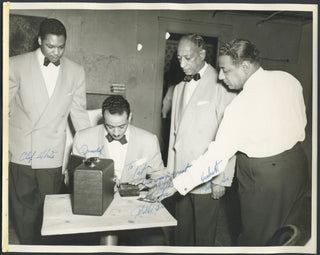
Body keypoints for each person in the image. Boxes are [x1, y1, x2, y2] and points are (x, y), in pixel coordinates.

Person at [146, 39, 309, 246]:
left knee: (257, 241)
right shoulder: (288, 80)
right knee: (289, 235)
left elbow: (216, 157)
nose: (221, 76)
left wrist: (176, 185)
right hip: (298, 165)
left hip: (264, 178)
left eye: (225, 70)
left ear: (245, 66)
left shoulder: (240, 105)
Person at [9, 18, 91, 244]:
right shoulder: (14, 64)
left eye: (61, 47)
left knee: (49, 213)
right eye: (50, 47)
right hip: (21, 151)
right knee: (23, 214)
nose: (56, 53)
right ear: (39, 41)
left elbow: (80, 115)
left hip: (52, 155)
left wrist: (92, 151)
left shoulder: (76, 72)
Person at [165, 34, 236, 246]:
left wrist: (221, 179)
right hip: (181, 173)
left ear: (202, 54)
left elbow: (230, 134)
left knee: (204, 235)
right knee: (181, 232)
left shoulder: (222, 86)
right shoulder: (178, 88)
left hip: (207, 175)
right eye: (179, 59)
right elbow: (174, 136)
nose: (182, 64)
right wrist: (171, 172)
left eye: (188, 58)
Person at [72, 95, 165, 245]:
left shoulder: (148, 140)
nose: (116, 133)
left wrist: (145, 185)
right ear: (103, 119)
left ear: (130, 117)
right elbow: (72, 180)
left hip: (134, 208)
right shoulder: (83, 138)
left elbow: (161, 177)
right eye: (110, 126)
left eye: (122, 126)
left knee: (156, 243)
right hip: (95, 207)